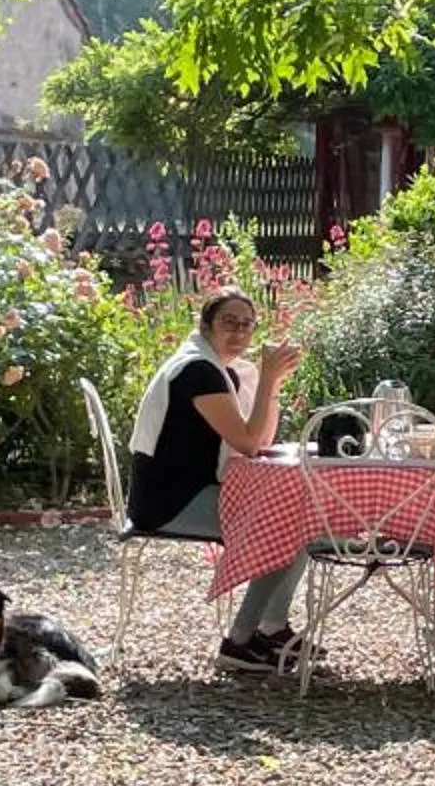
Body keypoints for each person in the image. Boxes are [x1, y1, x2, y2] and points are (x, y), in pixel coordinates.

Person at [124, 289, 314, 675]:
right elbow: (247, 441)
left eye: (247, 324)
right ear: (206, 325)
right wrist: (269, 379)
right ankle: (240, 641)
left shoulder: (219, 370)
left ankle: (271, 629)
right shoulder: (198, 370)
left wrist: (270, 385)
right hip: (168, 503)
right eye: (229, 322)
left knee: (300, 518)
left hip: (187, 492)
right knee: (288, 526)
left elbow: (260, 441)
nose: (239, 332)